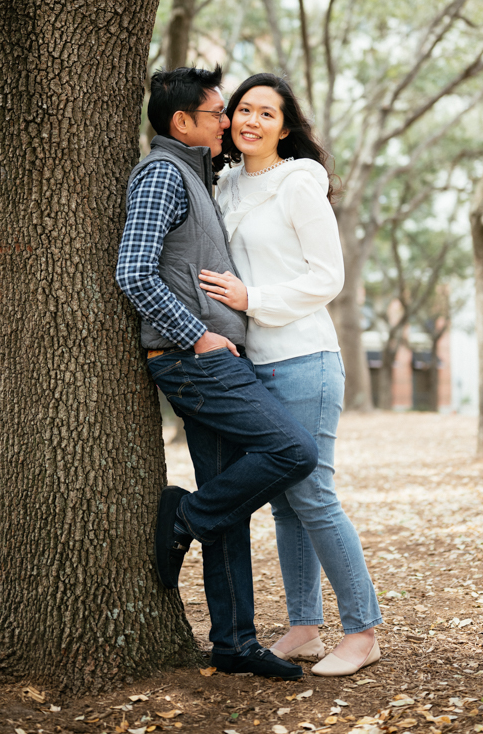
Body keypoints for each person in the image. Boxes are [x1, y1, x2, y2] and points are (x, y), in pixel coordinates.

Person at [115, 65, 319, 680]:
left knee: (233, 501)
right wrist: (196, 334)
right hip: (194, 361)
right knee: (294, 451)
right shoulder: (161, 175)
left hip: (211, 359)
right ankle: (186, 517)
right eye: (216, 113)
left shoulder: (200, 176)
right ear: (183, 123)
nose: (228, 121)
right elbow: (133, 271)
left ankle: (232, 643)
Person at [198, 73, 383, 677]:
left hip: (305, 359)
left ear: (286, 126)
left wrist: (252, 298)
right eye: (242, 109)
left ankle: (362, 631)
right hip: (252, 365)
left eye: (266, 114)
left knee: (313, 496)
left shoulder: (299, 182)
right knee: (284, 505)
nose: (250, 121)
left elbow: (328, 277)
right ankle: (304, 625)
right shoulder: (224, 184)